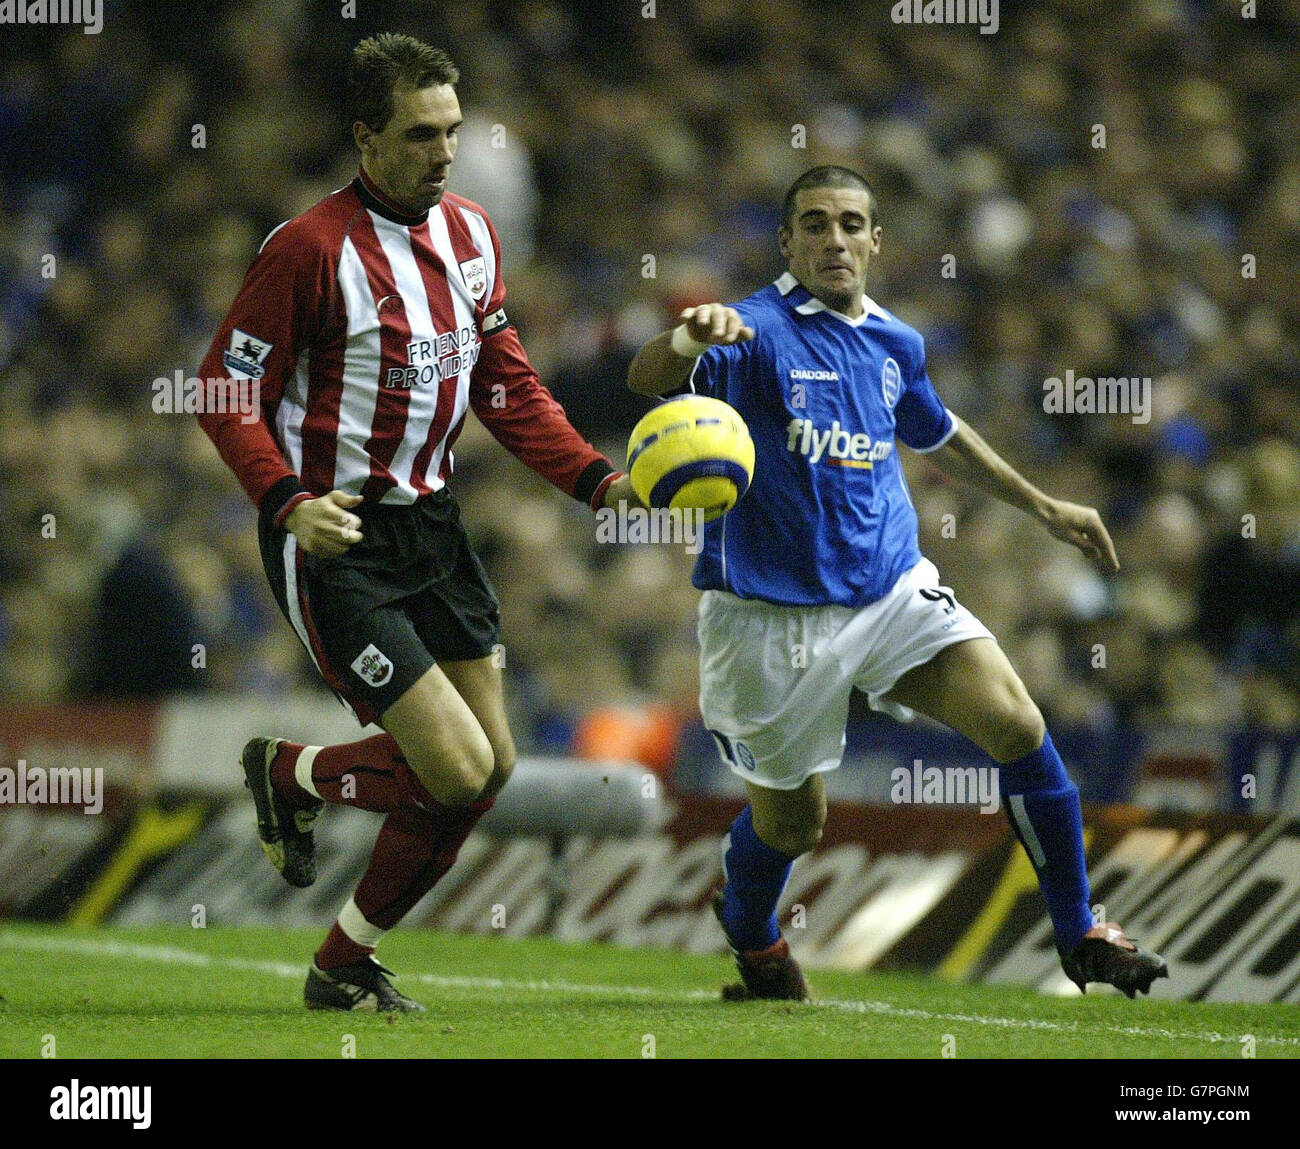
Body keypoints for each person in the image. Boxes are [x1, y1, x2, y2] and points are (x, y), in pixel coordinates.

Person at [627, 165, 1168, 1002]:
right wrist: (691, 339)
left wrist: (1042, 504)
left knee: (1019, 723)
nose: (833, 239)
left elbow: (939, 434)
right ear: (787, 241)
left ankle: (1082, 928)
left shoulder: (895, 343)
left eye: (850, 223)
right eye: (814, 224)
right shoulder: (755, 330)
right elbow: (647, 381)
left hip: (888, 593)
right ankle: (751, 928)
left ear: (876, 239)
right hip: (770, 621)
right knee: (791, 825)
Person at [197, 33, 633, 1012]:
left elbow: (508, 388)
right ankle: (300, 806)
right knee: (454, 766)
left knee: (492, 769)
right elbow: (224, 389)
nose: (444, 152)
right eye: (419, 134)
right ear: (365, 138)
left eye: (452, 130)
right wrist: (288, 503)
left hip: (433, 526)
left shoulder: (472, 234)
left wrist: (595, 480)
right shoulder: (308, 250)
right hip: (338, 532)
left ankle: (331, 918)